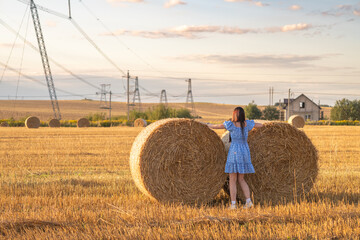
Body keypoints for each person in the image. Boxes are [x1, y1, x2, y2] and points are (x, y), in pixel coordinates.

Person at [207, 107, 263, 209]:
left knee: (232, 179)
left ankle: (233, 204)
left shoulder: (231, 125)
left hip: (235, 151)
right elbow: (260, 125)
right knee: (241, 179)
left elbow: (217, 126)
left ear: (234, 115)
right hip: (245, 151)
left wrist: (207, 125)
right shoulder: (246, 124)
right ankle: (249, 201)